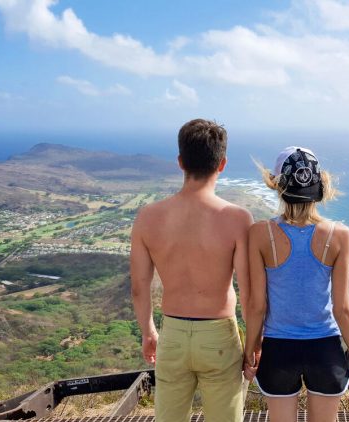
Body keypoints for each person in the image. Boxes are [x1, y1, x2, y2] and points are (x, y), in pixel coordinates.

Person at [130, 119, 253, 422]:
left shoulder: (148, 217)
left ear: (180, 162)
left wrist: (148, 332)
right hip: (219, 338)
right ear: (222, 164)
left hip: (171, 334)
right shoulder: (237, 219)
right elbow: (249, 295)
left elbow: (138, 287)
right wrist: (253, 347)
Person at [243, 146, 349, 422]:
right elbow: (342, 309)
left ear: (277, 186)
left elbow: (257, 305)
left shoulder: (261, 234)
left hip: (278, 349)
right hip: (325, 348)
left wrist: (251, 351)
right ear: (320, 185)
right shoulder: (340, 235)